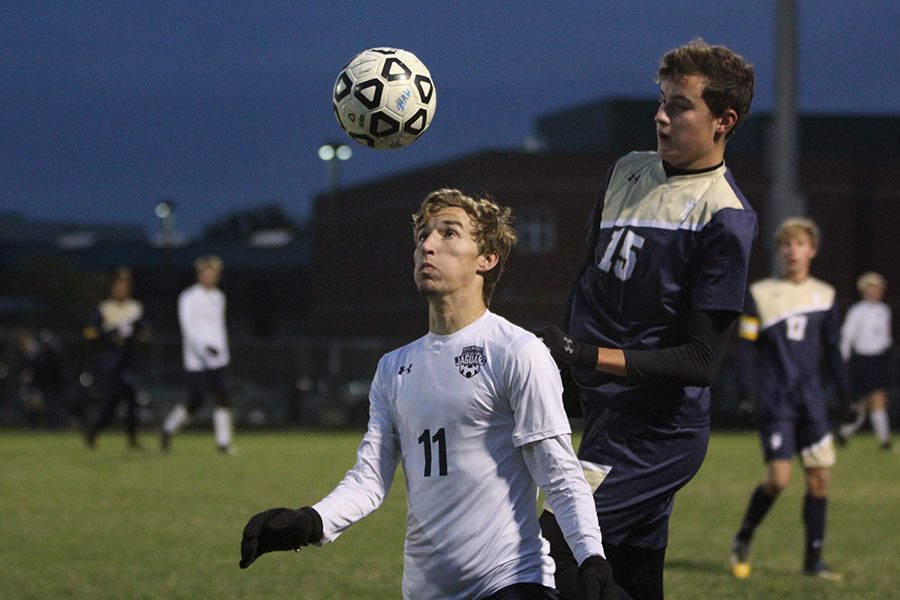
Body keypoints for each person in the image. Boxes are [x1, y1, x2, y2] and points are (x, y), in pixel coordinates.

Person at [239, 188, 619, 600]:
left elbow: (559, 474)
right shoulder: (393, 367)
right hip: (424, 590)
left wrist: (591, 558)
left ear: (487, 259)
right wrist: (311, 521)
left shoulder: (516, 350)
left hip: (512, 581)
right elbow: (369, 480)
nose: (428, 245)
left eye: (448, 233)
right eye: (422, 235)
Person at [533, 38, 757, 600]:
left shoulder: (726, 217)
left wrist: (585, 357)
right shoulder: (626, 172)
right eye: (661, 100)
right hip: (609, 420)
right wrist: (566, 376)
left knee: (552, 554)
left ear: (723, 121)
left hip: (658, 436)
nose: (661, 116)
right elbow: (587, 282)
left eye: (680, 105)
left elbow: (701, 362)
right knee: (630, 575)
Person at [728, 217, 852, 581]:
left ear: (812, 250)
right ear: (779, 251)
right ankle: (743, 537)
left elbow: (832, 350)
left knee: (819, 479)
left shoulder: (826, 296)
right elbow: (747, 348)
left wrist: (845, 397)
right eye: (786, 244)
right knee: (779, 479)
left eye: (799, 244)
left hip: (811, 401)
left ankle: (813, 563)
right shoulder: (761, 295)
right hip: (776, 400)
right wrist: (747, 391)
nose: (792, 251)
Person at [160, 254, 234, 454]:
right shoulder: (188, 297)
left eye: (213, 274)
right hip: (196, 358)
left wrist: (222, 352)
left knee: (222, 396)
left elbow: (219, 328)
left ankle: (223, 442)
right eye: (205, 273)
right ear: (199, 275)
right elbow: (188, 328)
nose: (209, 277)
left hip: (218, 357)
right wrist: (204, 347)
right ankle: (168, 428)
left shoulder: (219, 297)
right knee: (197, 399)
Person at [84, 267, 149, 449]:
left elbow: (143, 331)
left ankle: (132, 438)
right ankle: (93, 432)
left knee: (131, 399)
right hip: (111, 362)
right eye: (118, 286)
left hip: (128, 361)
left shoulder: (134, 308)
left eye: (125, 287)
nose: (122, 290)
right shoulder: (105, 308)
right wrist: (108, 333)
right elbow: (90, 332)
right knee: (111, 403)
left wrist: (140, 336)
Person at [838, 271, 894, 450]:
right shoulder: (857, 311)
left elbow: (884, 337)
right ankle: (884, 441)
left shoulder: (884, 311)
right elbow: (847, 336)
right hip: (863, 359)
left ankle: (844, 432)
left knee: (866, 402)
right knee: (875, 398)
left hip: (878, 359)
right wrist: (843, 360)